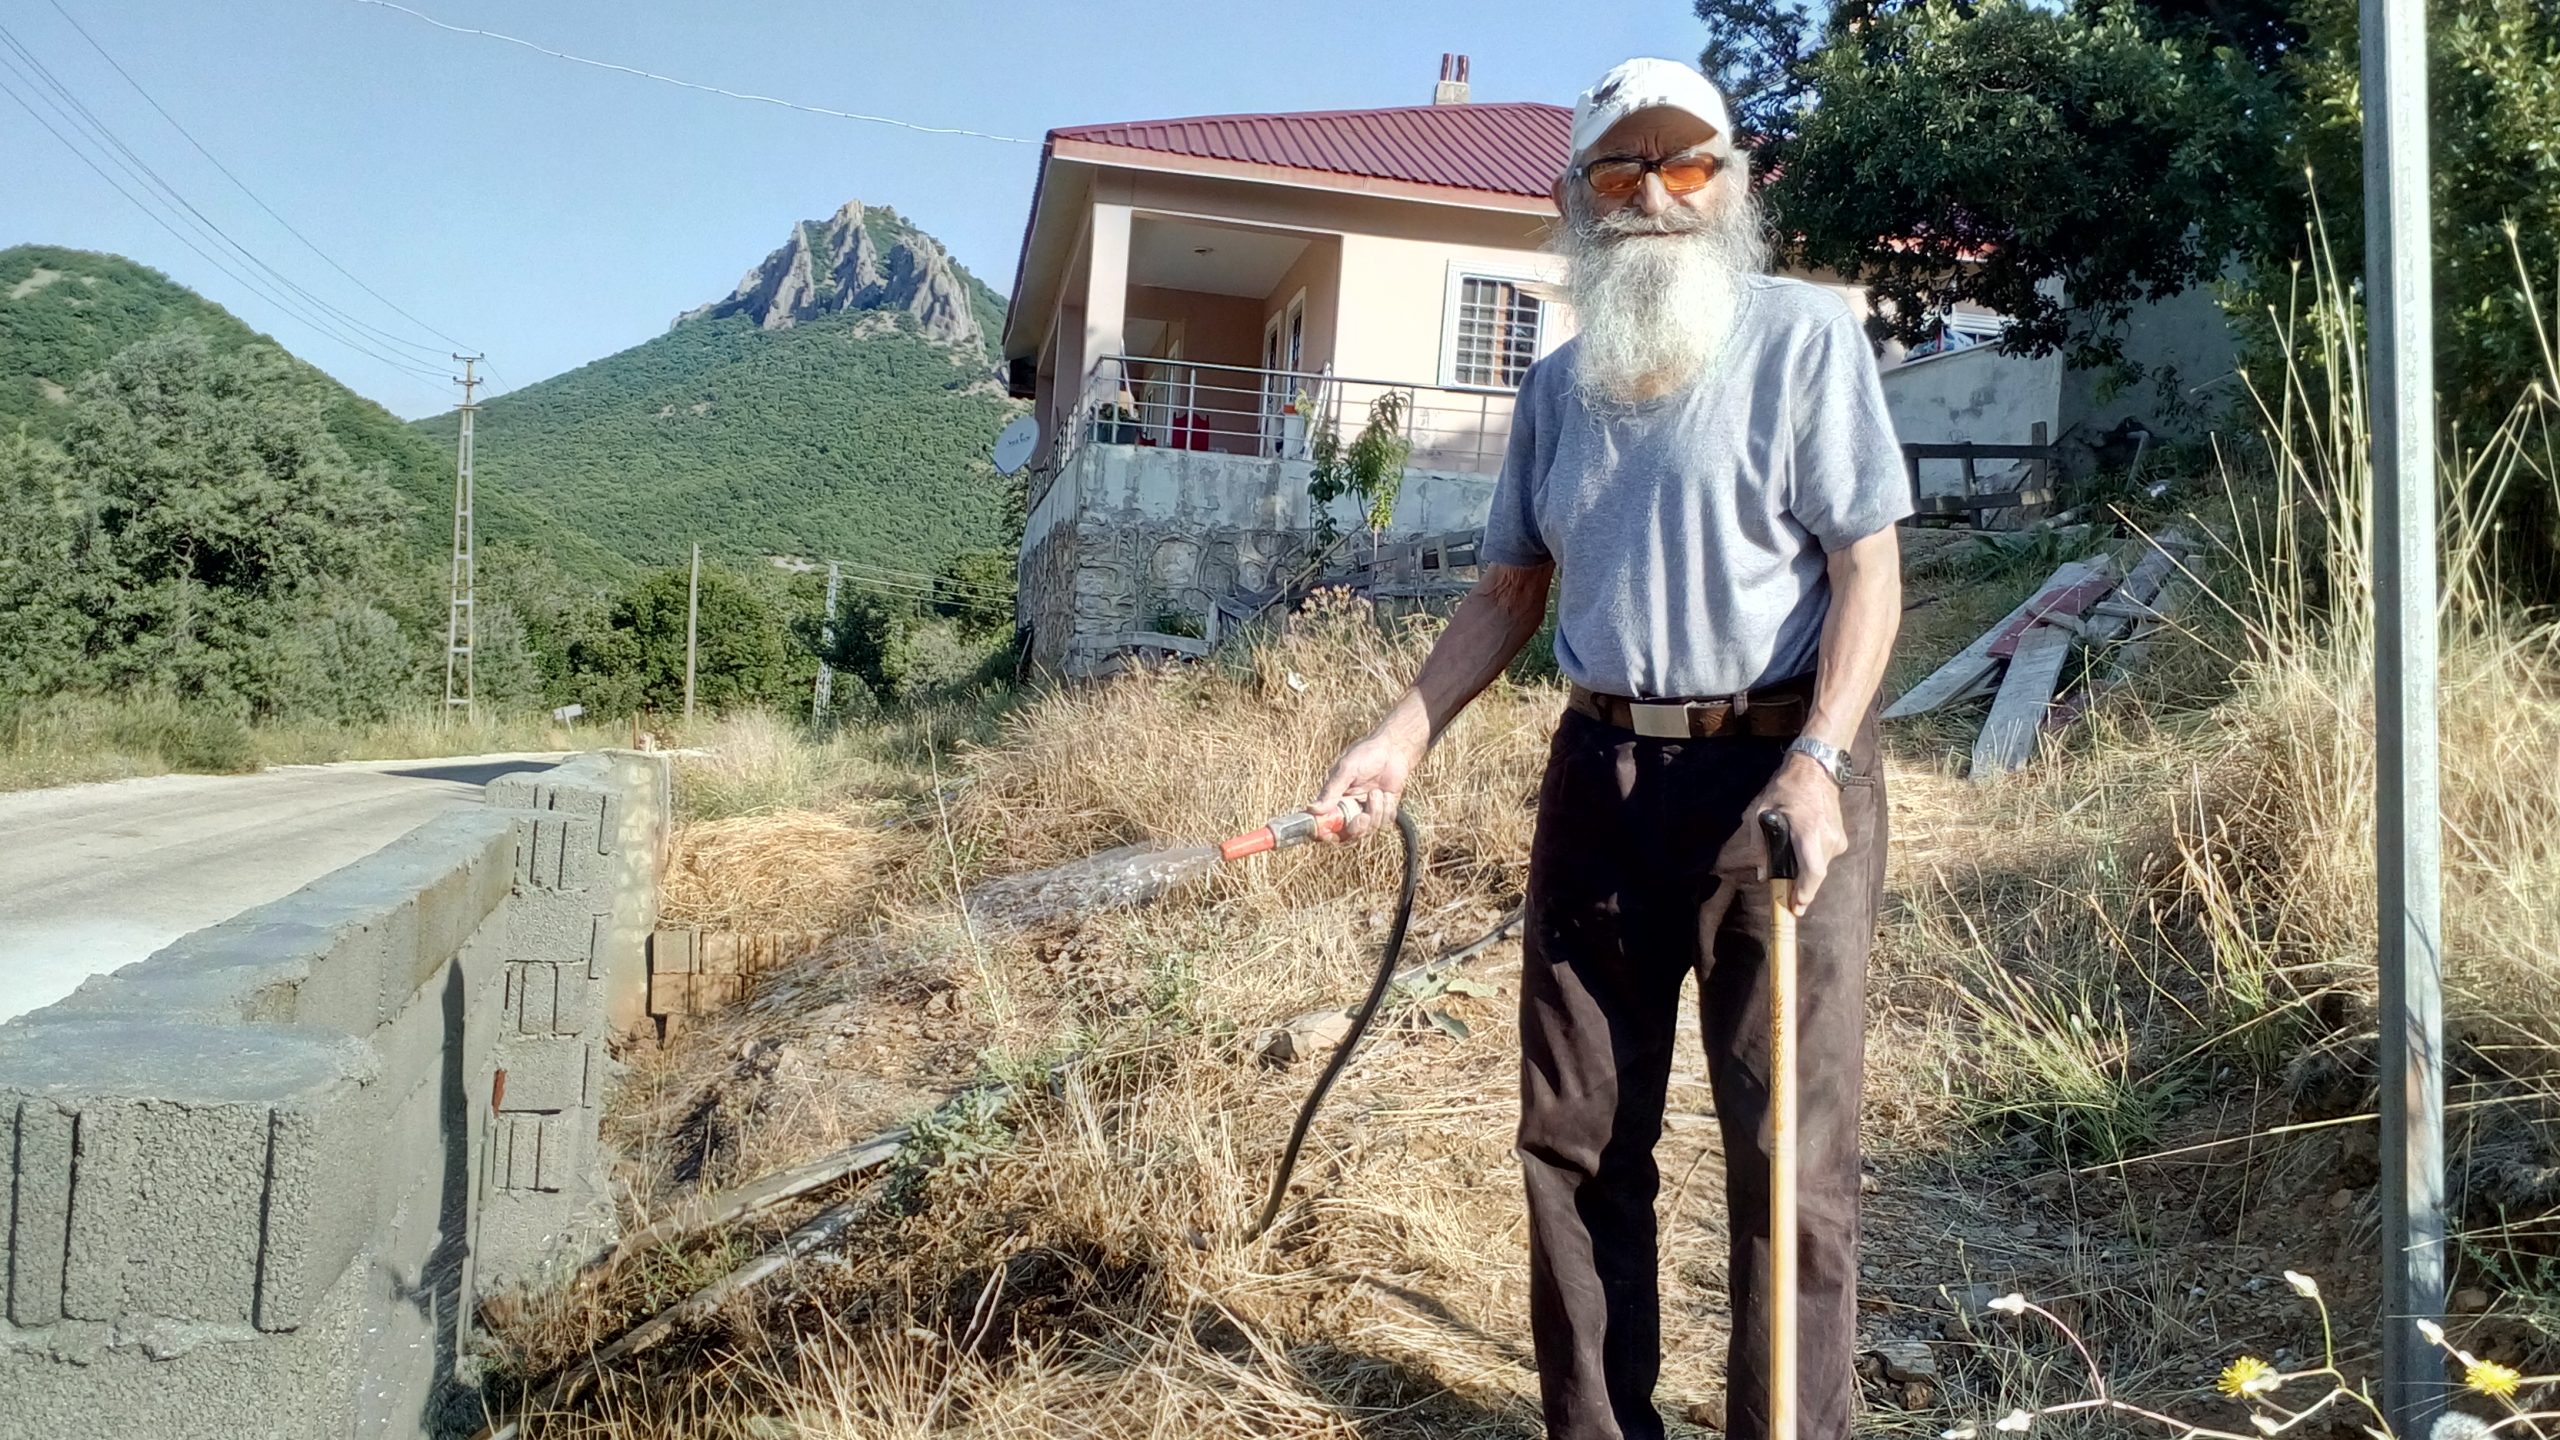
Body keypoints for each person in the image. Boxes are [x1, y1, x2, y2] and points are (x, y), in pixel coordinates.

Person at [1312, 56, 1910, 1440]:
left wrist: (1817, 764)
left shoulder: (1806, 338)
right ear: (1574, 199)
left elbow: (1869, 575)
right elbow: (1509, 590)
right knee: (1575, 1142)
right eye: (1620, 170)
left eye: (1684, 164)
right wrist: (1397, 736)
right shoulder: (1562, 383)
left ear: (1733, 184)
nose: (1653, 196)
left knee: (1789, 1159)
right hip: (1602, 779)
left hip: (1777, 775)